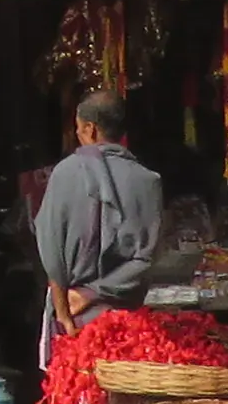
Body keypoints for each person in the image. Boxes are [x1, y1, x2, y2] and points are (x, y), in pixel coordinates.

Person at [33, 91, 165, 335]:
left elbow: (51, 250)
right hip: (126, 321)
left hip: (73, 315)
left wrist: (63, 312)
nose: (77, 134)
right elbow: (146, 259)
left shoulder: (65, 172)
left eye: (79, 128)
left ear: (90, 129)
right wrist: (95, 292)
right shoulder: (148, 181)